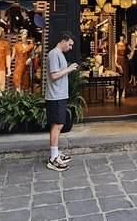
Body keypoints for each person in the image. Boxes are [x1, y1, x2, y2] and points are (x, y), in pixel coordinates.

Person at [45, 31, 79, 172]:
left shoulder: (59, 54)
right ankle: (53, 158)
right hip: (56, 95)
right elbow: (54, 76)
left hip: (59, 94)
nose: (70, 48)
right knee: (57, 125)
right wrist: (69, 69)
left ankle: (56, 153)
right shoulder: (54, 54)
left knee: (57, 124)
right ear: (63, 41)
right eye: (69, 44)